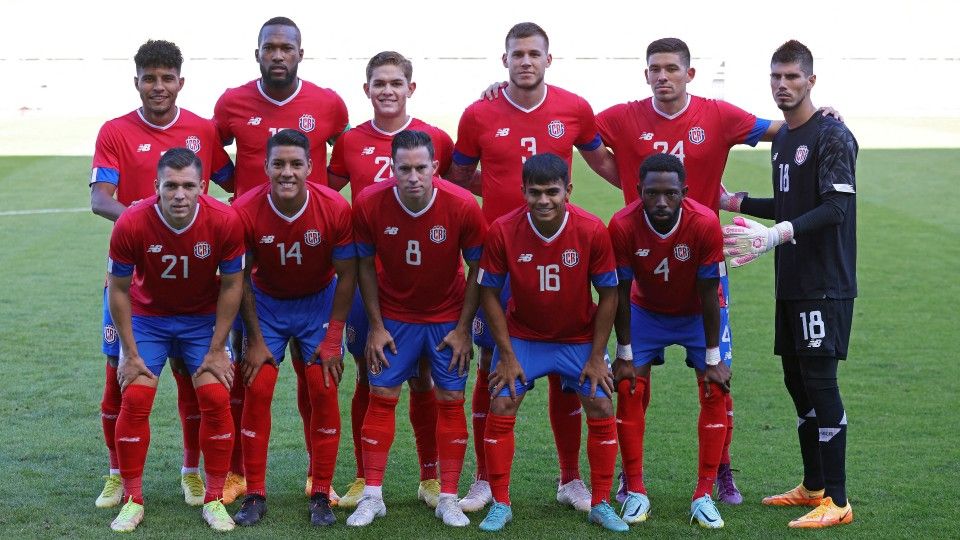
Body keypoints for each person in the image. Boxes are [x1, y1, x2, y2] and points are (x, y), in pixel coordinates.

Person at [593, 37, 821, 504]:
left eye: (672, 68)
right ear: (646, 74)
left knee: (717, 379)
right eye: (654, 68)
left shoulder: (718, 115)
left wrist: (823, 117)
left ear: (689, 74)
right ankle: (628, 475)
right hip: (644, 276)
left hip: (699, 268)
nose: (663, 76)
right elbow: (573, 135)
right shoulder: (621, 117)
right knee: (631, 381)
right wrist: (623, 181)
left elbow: (783, 128)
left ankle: (720, 471)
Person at [447, 21, 618, 514]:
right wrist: (508, 199)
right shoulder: (478, 113)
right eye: (517, 54)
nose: (525, 61)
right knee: (490, 366)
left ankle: (570, 480)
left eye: (534, 53)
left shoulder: (574, 108)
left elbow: (602, 162)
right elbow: (459, 176)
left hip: (556, 250)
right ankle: (483, 480)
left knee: (566, 371)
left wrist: (644, 191)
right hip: (498, 253)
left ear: (548, 59)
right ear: (505, 60)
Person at [90, 39, 234, 510]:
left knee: (197, 383)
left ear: (180, 82)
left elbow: (238, 180)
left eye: (166, 78)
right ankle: (117, 475)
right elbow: (100, 199)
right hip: (133, 281)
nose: (157, 86)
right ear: (136, 81)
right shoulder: (114, 131)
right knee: (122, 379)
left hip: (195, 284)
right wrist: (145, 219)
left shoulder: (202, 130)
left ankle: (191, 473)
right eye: (149, 78)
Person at [213, 16, 349, 502]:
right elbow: (213, 158)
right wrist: (239, 194)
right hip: (255, 257)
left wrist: (316, 202)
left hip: (312, 263)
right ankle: (237, 476)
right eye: (268, 47)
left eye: (285, 48)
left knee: (318, 383)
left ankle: (320, 480)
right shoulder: (230, 103)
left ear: (299, 53)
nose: (277, 55)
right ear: (257, 54)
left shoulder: (329, 103)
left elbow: (347, 157)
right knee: (246, 381)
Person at [722, 39, 857, 529]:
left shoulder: (833, 136)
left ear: (811, 81)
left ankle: (838, 502)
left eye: (792, 77)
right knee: (797, 383)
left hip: (826, 283)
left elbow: (835, 208)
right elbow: (790, 203)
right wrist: (735, 202)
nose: (783, 85)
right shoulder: (782, 139)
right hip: (792, 283)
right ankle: (813, 486)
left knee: (821, 383)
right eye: (776, 77)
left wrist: (778, 233)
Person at [327, 51, 454, 509]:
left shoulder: (435, 138)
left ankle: (430, 478)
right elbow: (326, 192)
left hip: (425, 282)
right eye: (378, 82)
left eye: (396, 82)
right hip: (370, 282)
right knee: (369, 372)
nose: (387, 90)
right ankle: (365, 478)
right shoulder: (349, 142)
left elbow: (453, 194)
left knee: (425, 378)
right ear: (367, 89)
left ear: (410, 88)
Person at [475, 153, 627, 532]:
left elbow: (609, 294)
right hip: (524, 337)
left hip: (576, 339)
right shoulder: (503, 230)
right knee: (503, 399)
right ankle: (501, 502)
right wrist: (505, 355)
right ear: (522, 191)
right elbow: (488, 293)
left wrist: (596, 357)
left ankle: (602, 502)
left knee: (600, 401)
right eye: (535, 192)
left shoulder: (592, 230)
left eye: (552, 192)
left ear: (568, 191)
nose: (544, 201)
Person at [345, 130, 485, 528]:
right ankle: (372, 496)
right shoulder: (371, 203)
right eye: (404, 168)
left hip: (445, 318)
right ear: (392, 168)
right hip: (394, 317)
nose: (412, 176)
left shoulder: (461, 205)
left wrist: (462, 329)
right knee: (382, 394)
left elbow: (479, 268)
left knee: (450, 399)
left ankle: (448, 498)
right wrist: (375, 325)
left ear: (434, 167)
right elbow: (364, 267)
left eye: (421, 167)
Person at [105, 148, 244, 532]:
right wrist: (129, 354)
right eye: (170, 186)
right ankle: (133, 498)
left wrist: (218, 348)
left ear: (203, 186)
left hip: (201, 322)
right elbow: (118, 290)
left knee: (216, 397)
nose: (179, 194)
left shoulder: (224, 220)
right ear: (156, 187)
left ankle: (214, 499)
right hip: (149, 320)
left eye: (187, 186)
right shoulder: (132, 222)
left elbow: (234, 284)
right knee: (135, 397)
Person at [230, 130, 357, 526]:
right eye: (279, 164)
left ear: (310, 167)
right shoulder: (246, 209)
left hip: (317, 301)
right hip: (264, 304)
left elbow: (348, 276)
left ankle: (320, 490)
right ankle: (255, 493)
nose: (287, 172)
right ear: (265, 167)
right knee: (258, 387)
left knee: (323, 388)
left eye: (296, 164)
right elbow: (240, 278)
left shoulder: (334, 207)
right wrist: (252, 337)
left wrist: (334, 337)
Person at [608, 153, 731, 528]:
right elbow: (619, 291)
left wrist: (713, 357)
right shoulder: (622, 224)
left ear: (685, 193)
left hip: (698, 314)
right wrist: (625, 354)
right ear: (639, 192)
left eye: (671, 194)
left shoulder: (705, 222)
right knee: (628, 385)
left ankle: (705, 494)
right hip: (645, 312)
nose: (661, 202)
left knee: (715, 389)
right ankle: (635, 489)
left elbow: (710, 293)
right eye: (652, 193)